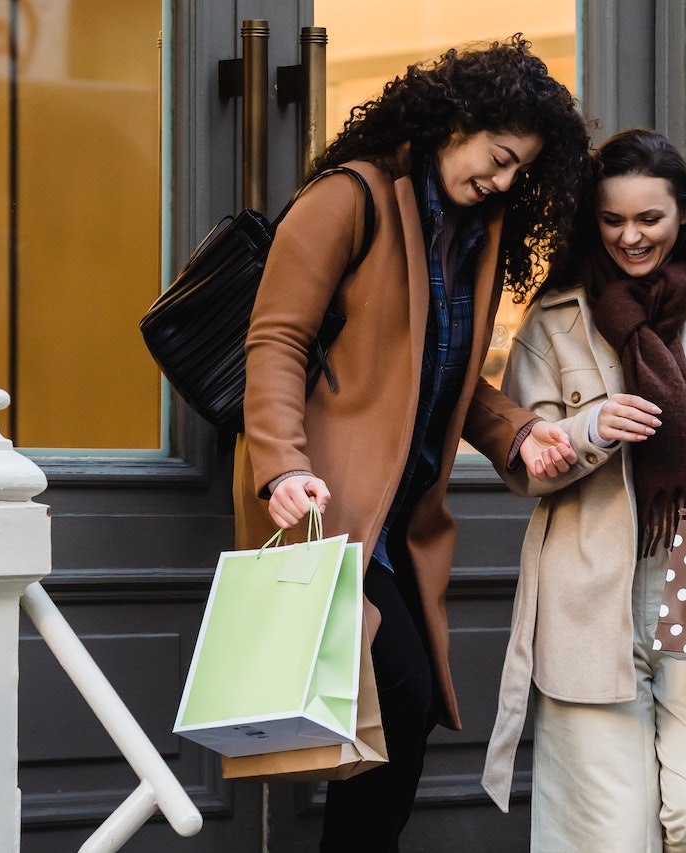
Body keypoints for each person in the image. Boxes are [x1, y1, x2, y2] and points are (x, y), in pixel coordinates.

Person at [233, 35, 590, 852]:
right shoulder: (349, 198)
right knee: (394, 687)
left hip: (403, 512)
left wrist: (518, 433)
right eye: (497, 157)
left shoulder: (476, 234)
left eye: (518, 170)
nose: (502, 181)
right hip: (326, 498)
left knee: (406, 707)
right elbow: (276, 339)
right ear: (452, 121)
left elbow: (447, 375)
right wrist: (280, 466)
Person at [481, 129, 686, 852]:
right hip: (587, 584)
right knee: (607, 837)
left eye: (648, 219)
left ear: (684, 212)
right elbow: (521, 464)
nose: (629, 236)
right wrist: (588, 427)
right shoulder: (554, 321)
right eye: (611, 219)